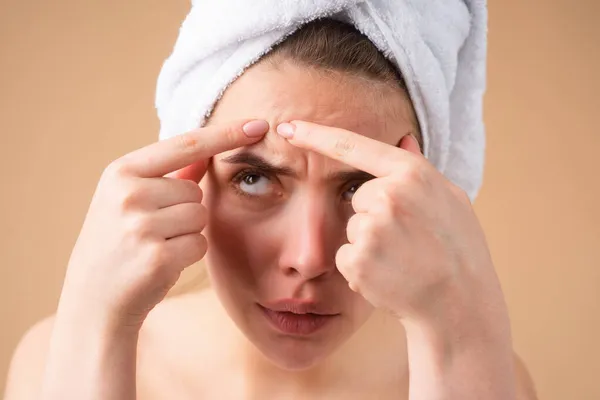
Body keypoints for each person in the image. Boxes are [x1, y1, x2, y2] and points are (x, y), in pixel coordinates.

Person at [5, 16, 538, 400]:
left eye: (358, 189)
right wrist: (96, 326)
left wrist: (463, 332)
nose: (308, 258)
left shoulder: (485, 374)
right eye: (254, 178)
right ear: (188, 175)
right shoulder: (63, 355)